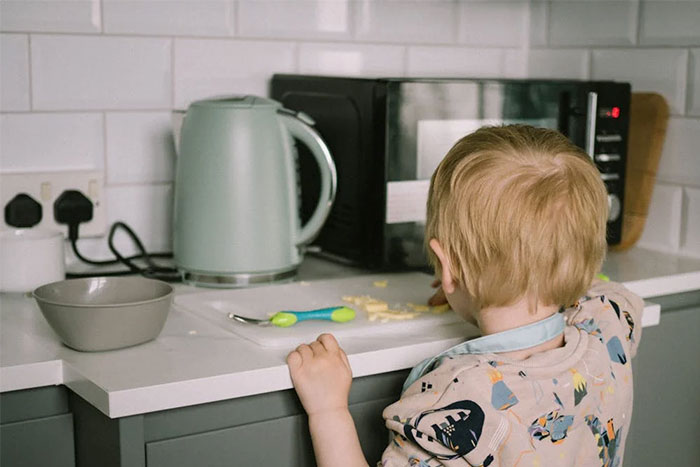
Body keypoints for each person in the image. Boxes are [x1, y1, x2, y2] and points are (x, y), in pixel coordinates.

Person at [286, 125, 644, 467]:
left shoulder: (455, 407)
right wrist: (486, 277)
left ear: (446, 267)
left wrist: (328, 410)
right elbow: (605, 290)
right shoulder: (610, 325)